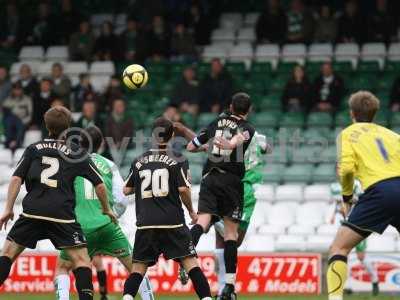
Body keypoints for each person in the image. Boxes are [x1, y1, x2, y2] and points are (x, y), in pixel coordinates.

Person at [0, 106, 117, 300]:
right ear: (68, 127)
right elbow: (100, 185)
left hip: (33, 212)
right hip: (62, 215)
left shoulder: (33, 149)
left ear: (46, 126)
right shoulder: (76, 153)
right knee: (82, 261)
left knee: (8, 253)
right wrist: (107, 209)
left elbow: (15, 179)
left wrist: (8, 209)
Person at [54, 126, 154, 300]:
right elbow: (122, 199)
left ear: (80, 142)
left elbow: (62, 197)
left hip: (81, 229)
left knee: (62, 268)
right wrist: (112, 215)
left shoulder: (69, 164)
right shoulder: (109, 165)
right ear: (101, 145)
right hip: (108, 226)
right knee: (137, 268)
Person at [122, 117, 212, 300]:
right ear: (171, 136)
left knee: (138, 269)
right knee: (192, 266)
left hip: (146, 223)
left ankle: (127, 298)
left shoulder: (139, 160)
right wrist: (192, 212)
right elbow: (184, 190)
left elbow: (126, 189)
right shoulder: (177, 159)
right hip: (173, 223)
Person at [326, 91, 400, 300]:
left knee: (339, 247)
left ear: (352, 113)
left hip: (380, 191)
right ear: (374, 113)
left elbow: (347, 170)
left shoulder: (348, 134)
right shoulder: (393, 135)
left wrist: (347, 197)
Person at [186, 93, 255, 299]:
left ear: (231, 106)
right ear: (248, 110)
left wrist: (208, 147)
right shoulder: (248, 128)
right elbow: (235, 142)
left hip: (209, 178)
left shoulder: (215, 122)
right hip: (231, 181)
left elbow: (191, 146)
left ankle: (185, 256)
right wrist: (230, 145)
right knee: (230, 234)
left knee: (203, 222)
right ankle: (229, 287)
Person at [329, 179, 379, 296]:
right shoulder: (334, 186)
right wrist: (333, 215)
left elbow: (362, 200)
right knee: (339, 252)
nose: (340, 170)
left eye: (341, 167)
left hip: (357, 222)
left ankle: (374, 279)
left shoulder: (356, 184)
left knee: (360, 256)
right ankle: (345, 286)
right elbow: (336, 204)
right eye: (338, 168)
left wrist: (348, 203)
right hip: (343, 223)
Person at [2, 82, 32, 150]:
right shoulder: (7, 100)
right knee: (10, 119)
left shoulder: (27, 99)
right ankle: (14, 142)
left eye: (19, 89)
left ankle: (12, 142)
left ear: (22, 90)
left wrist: (22, 122)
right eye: (15, 89)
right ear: (12, 90)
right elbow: (4, 115)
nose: (17, 91)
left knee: (17, 122)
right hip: (10, 123)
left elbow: (30, 115)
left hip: (22, 121)